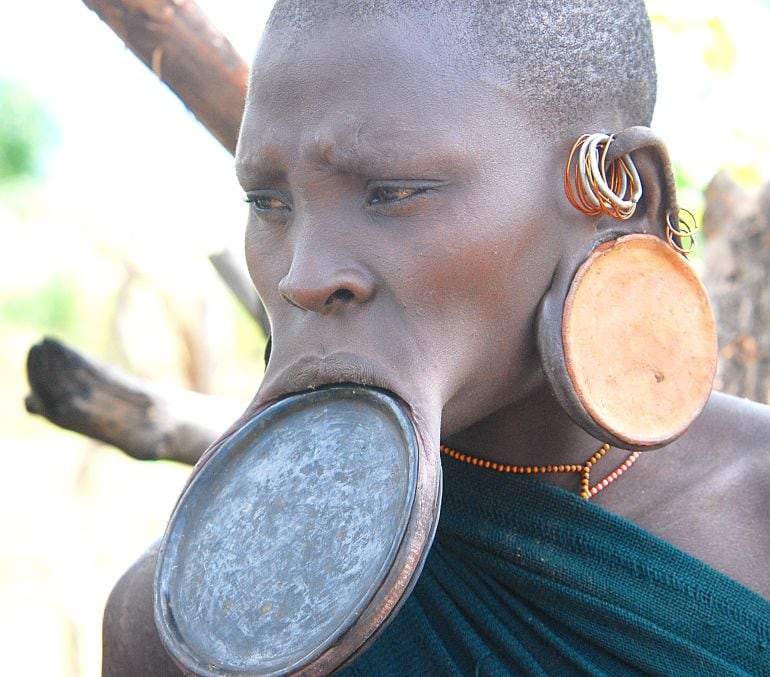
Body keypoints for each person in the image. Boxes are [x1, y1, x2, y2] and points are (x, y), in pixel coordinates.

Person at [103, 1, 770, 674]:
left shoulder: (758, 508)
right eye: (269, 203)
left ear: (623, 195)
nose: (303, 276)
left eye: (392, 192)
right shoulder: (191, 631)